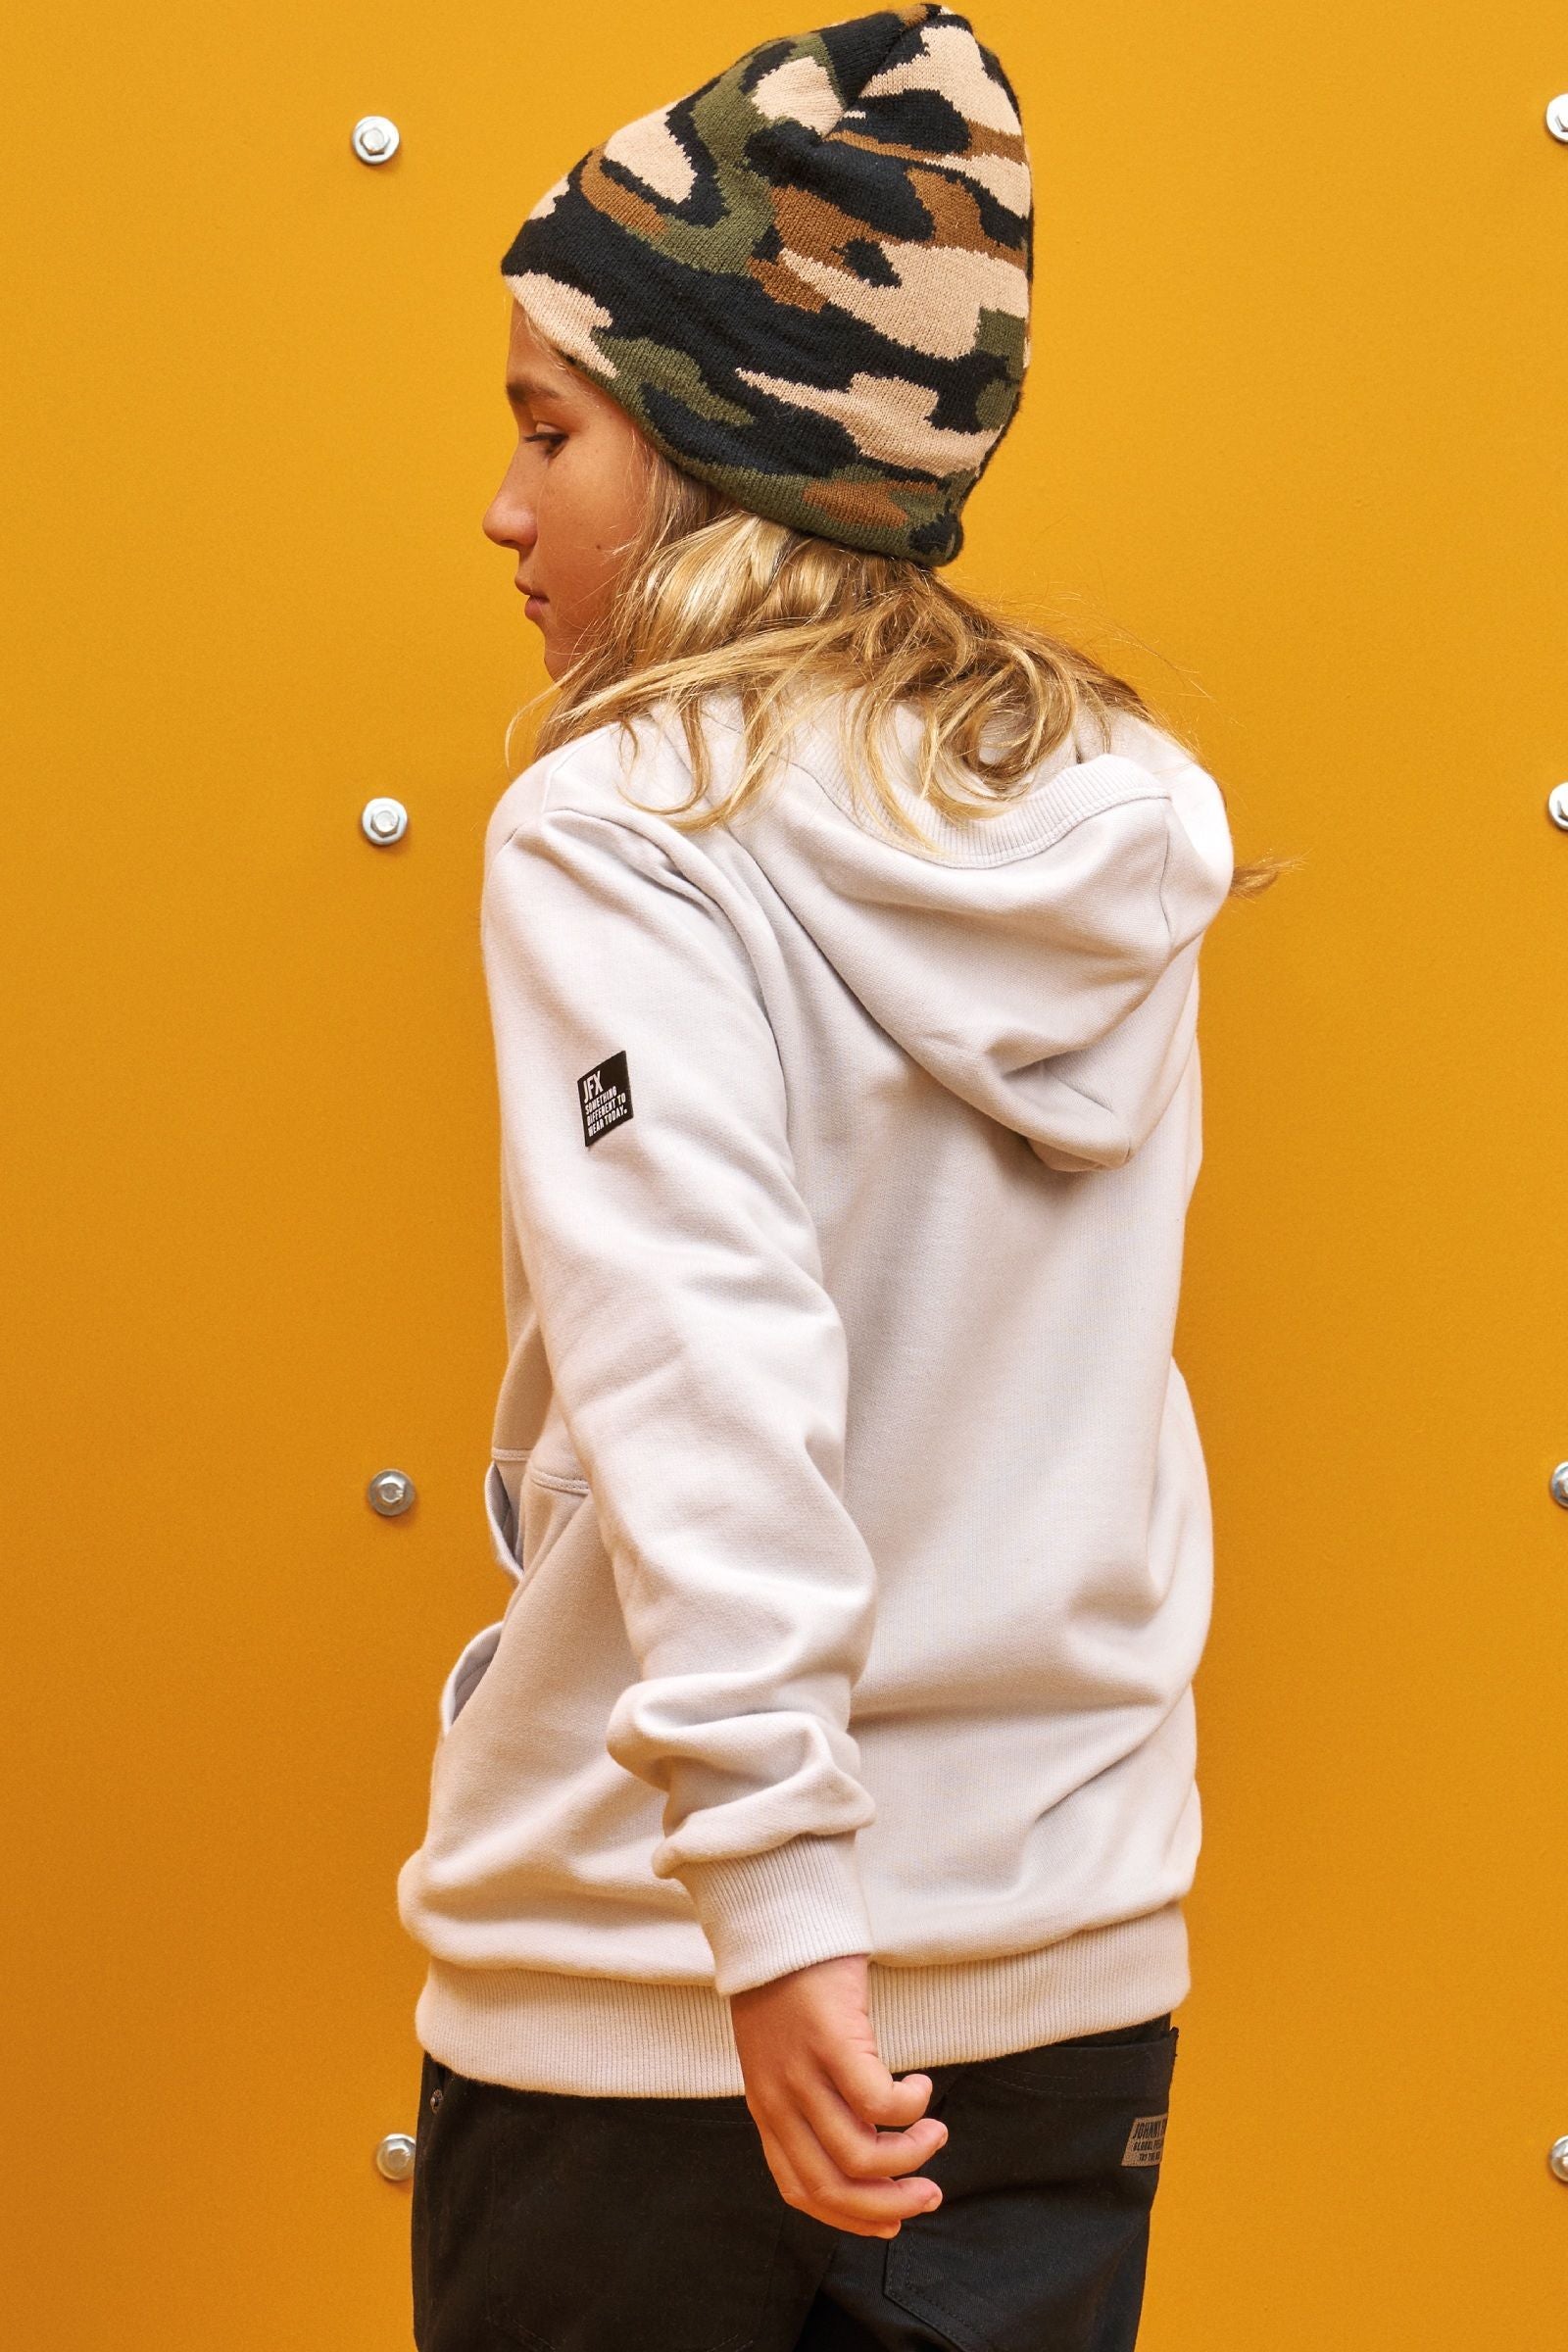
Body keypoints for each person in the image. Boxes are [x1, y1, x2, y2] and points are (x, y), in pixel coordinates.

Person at [397, 7, 1284, 2346]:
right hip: (1064, 1967)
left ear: (714, 450)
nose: (503, 506)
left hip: (668, 1995)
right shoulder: (1100, 828)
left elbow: (702, 1366)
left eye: (549, 427)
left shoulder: (622, 828)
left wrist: (780, 1914)